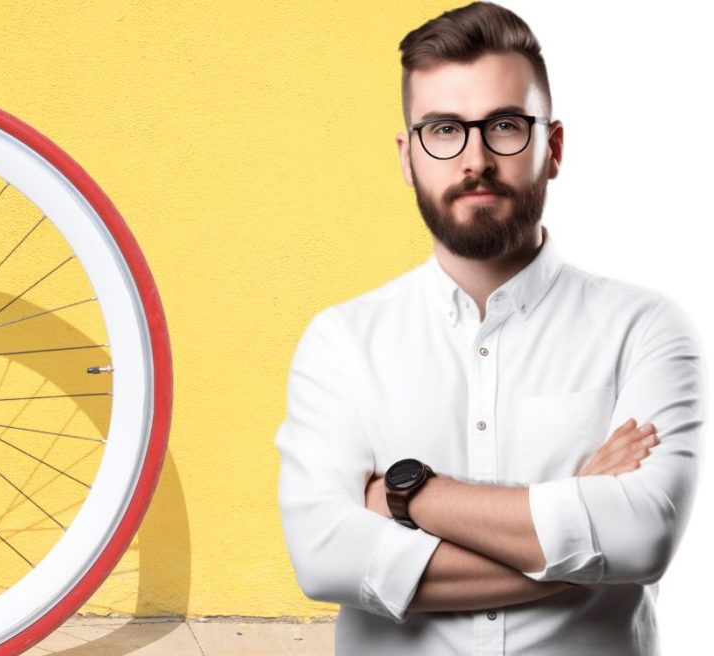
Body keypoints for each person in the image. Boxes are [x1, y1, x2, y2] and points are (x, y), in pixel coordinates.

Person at [274, 2, 705, 655]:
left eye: (504, 125)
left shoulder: (644, 328)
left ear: (552, 147)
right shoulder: (340, 343)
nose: (474, 158)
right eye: (443, 130)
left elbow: (641, 538)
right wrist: (576, 542)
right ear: (407, 156)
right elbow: (324, 557)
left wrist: (407, 497)